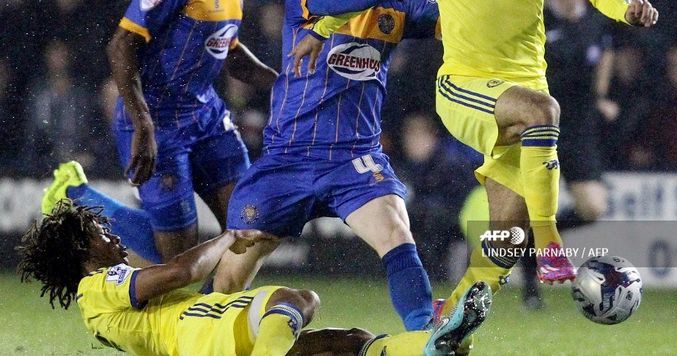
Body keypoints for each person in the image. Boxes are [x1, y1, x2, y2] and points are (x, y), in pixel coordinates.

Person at [290, 0, 658, 317]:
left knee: (506, 238)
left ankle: (450, 321)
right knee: (545, 111)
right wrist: (321, 29)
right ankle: (551, 246)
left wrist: (626, 9)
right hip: (464, 88)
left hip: (520, 97)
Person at [214, 0, 440, 332]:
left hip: (353, 159)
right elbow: (342, 1)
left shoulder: (401, 8)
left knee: (396, 229)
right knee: (229, 274)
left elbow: (464, 22)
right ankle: (193, 338)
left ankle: (426, 338)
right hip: (287, 159)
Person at [23, 173, 492, 355]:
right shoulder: (98, 287)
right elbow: (182, 271)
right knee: (297, 299)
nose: (114, 239)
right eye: (103, 235)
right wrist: (229, 235)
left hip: (199, 335)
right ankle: (431, 340)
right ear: (82, 254)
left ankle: (432, 346)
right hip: (199, 335)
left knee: (350, 344)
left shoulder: (102, 300)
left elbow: (165, 267)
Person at [105, 0, 278, 262]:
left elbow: (228, 51)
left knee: (250, 227)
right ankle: (83, 198)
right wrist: (143, 124)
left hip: (206, 116)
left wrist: (282, 82)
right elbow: (120, 45)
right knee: (178, 259)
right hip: (158, 122)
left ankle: (212, 313)